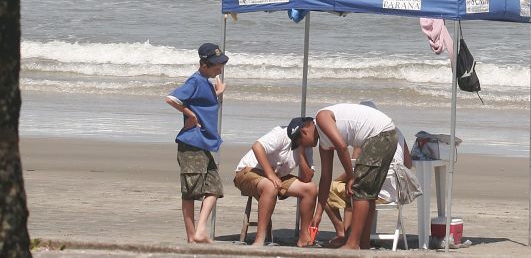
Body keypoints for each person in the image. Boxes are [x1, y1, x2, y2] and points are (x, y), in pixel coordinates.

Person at [294, 102, 398, 250]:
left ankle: (352, 243)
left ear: (304, 131)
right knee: (368, 193)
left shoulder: (321, 117)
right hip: (385, 136)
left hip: (380, 134)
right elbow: (325, 178)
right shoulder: (324, 144)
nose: (304, 146)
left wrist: (351, 177)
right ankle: (363, 243)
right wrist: (317, 215)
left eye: (300, 143)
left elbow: (342, 147)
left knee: (360, 191)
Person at [322, 101, 412, 248]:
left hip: (377, 192)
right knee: (355, 189)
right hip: (396, 191)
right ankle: (356, 238)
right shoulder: (396, 131)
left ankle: (345, 235)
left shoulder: (366, 132)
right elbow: (408, 163)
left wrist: (338, 180)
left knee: (338, 190)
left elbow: (356, 167)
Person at [165, 42, 228, 243]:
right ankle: (192, 236)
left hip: (204, 143)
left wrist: (217, 93)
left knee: (214, 188)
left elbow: (204, 102)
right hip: (192, 143)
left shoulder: (207, 84)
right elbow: (171, 98)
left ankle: (200, 231)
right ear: (204, 65)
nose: (220, 68)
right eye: (216, 65)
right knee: (191, 192)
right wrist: (190, 115)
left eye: (221, 64)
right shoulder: (195, 80)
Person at [233, 117, 318, 247]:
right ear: (304, 131)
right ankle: (259, 239)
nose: (319, 135)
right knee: (270, 186)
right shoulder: (280, 133)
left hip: (277, 176)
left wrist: (301, 153)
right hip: (249, 171)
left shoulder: (306, 147)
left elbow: (307, 178)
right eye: (315, 130)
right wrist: (270, 174)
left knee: (310, 188)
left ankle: (304, 237)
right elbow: (257, 147)